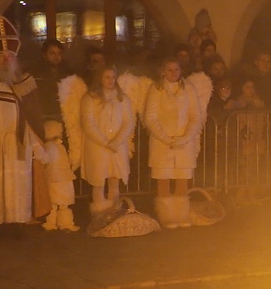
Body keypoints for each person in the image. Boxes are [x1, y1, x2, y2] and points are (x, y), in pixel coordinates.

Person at [0, 49, 42, 226]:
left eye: (9, 55)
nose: (5, 59)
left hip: (18, 140)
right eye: (1, 56)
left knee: (18, 181)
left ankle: (19, 218)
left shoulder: (25, 82)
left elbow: (32, 112)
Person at [143, 60, 211, 228]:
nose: (173, 72)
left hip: (184, 143)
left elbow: (196, 116)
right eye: (169, 69)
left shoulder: (188, 89)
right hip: (162, 142)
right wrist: (166, 138)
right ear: (163, 71)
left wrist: (185, 138)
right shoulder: (156, 89)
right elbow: (150, 117)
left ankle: (181, 214)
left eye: (176, 69)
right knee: (164, 178)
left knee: (182, 178)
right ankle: (167, 215)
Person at [69, 66, 136, 215]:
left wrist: (117, 141)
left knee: (114, 178)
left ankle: (114, 213)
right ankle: (100, 214)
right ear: (100, 78)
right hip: (97, 147)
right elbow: (89, 124)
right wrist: (106, 142)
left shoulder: (122, 98)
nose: (111, 80)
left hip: (117, 147)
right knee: (98, 181)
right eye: (107, 77)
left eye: (113, 77)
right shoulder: (90, 98)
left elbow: (128, 121)